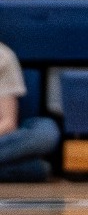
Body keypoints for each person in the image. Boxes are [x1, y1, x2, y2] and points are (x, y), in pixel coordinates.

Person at [0, 41, 57, 184]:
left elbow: (7, 122)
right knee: (37, 169)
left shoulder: (3, 56)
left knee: (46, 132)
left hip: (5, 140)